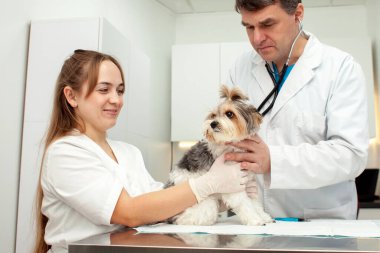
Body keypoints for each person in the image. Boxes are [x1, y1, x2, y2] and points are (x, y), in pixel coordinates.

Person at [34, 49, 250, 253]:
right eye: (103, 89)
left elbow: (160, 204)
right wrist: (208, 183)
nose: (116, 100)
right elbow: (129, 213)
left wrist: (221, 198)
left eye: (120, 90)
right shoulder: (65, 153)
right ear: (71, 96)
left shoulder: (129, 152)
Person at [224, 0, 369, 220]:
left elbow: (351, 155)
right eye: (249, 27)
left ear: (298, 13)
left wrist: (274, 159)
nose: (257, 39)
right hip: (254, 219)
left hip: (320, 223)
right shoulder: (241, 67)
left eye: (268, 24)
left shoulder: (340, 68)